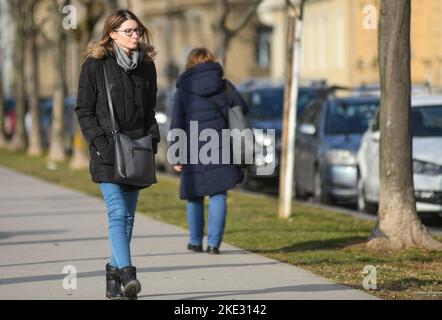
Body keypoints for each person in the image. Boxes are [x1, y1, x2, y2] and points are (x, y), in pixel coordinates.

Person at [74, 9, 159, 300]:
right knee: (118, 213)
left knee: (130, 217)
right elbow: (83, 110)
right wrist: (100, 142)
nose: (136, 36)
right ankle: (127, 274)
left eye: (138, 30)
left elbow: (150, 111)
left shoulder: (146, 65)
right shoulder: (95, 64)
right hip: (107, 151)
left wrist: (153, 138)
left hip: (137, 149)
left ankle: (113, 276)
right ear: (112, 34)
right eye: (129, 31)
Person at [170, 48, 248, 255]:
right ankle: (214, 244)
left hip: (193, 147)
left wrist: (177, 154)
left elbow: (177, 122)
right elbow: (242, 109)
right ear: (211, 62)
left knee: (194, 196)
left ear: (190, 64)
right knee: (218, 194)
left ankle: (195, 242)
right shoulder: (224, 86)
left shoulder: (183, 89)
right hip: (220, 145)